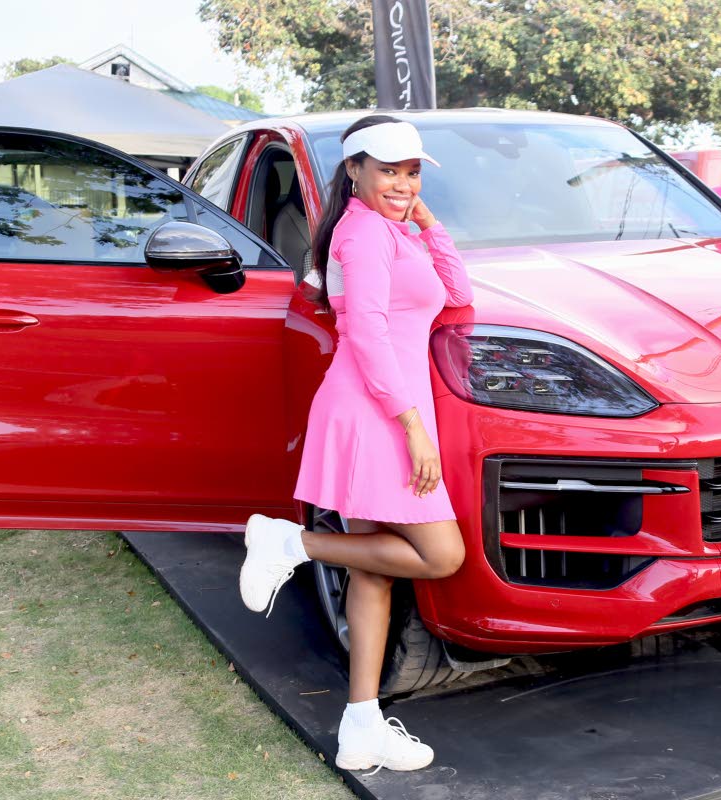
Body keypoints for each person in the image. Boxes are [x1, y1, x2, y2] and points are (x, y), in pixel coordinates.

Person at [236, 115, 473, 773]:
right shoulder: (363, 233)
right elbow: (365, 332)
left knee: (373, 570)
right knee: (442, 554)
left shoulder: (393, 230)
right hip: (377, 412)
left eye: (412, 172)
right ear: (354, 170)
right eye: (388, 170)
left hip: (382, 407)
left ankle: (361, 727)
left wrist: (427, 221)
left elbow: (458, 294)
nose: (402, 183)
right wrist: (413, 427)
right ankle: (292, 543)